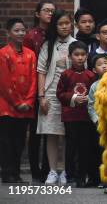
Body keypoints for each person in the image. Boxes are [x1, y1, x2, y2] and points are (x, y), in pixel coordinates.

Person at [37, 10, 77, 185]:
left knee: (69, 134)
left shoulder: (76, 44)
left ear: (71, 25)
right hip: (51, 93)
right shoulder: (48, 45)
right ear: (55, 26)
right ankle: (53, 171)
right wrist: (41, 96)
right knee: (51, 133)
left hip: (70, 94)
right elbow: (41, 72)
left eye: (67, 23)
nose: (64, 26)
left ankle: (65, 171)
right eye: (60, 24)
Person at [56, 41, 98, 187]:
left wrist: (89, 98)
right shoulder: (66, 75)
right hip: (70, 116)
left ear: (87, 56)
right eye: (76, 55)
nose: (80, 58)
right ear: (70, 56)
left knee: (84, 147)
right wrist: (73, 98)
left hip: (86, 117)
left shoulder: (91, 75)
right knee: (71, 147)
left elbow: (96, 94)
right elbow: (60, 94)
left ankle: (82, 176)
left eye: (83, 55)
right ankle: (70, 175)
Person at [0, 18, 37, 183]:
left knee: (20, 141)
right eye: (17, 30)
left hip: (26, 106)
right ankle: (7, 173)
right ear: (9, 33)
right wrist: (16, 102)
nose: (21, 33)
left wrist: (28, 102)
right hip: (7, 105)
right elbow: (4, 81)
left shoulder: (31, 54)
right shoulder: (3, 53)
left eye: (23, 30)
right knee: (7, 141)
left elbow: (34, 79)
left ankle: (16, 173)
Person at [23, 0, 55, 182]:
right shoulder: (31, 36)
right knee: (35, 131)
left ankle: (47, 170)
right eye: (46, 10)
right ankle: (35, 171)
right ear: (37, 14)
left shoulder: (56, 33)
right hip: (35, 87)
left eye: (52, 11)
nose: (50, 13)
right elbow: (28, 63)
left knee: (49, 130)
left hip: (52, 88)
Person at [87, 53, 107, 188]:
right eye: (100, 64)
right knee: (101, 152)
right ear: (94, 70)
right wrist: (95, 119)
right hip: (101, 124)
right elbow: (90, 104)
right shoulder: (95, 86)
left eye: (106, 63)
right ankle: (102, 178)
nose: (105, 66)